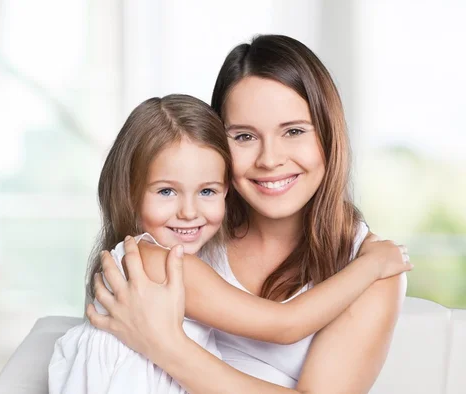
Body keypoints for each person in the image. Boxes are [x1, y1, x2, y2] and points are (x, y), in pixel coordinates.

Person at [87, 35, 411, 393]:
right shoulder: (189, 234)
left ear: (330, 134)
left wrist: (166, 347)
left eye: (294, 131)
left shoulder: (366, 267)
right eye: (243, 137)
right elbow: (285, 324)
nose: (270, 159)